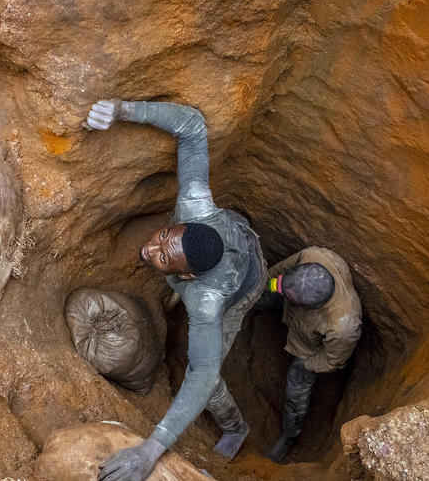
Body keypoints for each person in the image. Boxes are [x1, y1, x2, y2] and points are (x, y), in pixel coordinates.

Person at [85, 99, 267, 481]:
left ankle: (236, 427)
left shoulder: (207, 301)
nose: (151, 249)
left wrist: (152, 448)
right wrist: (122, 110)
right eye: (164, 236)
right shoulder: (195, 206)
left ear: (186, 278)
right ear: (183, 225)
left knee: (212, 376)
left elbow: (201, 374)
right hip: (237, 232)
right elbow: (192, 125)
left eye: (163, 259)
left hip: (244, 288)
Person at [262, 247, 362, 463]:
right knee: (268, 292)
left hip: (309, 351)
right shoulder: (313, 256)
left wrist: (306, 364)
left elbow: (331, 360)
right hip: (291, 300)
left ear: (313, 306)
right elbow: (279, 273)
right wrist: (269, 284)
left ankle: (289, 435)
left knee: (296, 388)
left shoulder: (343, 326)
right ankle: (251, 304)